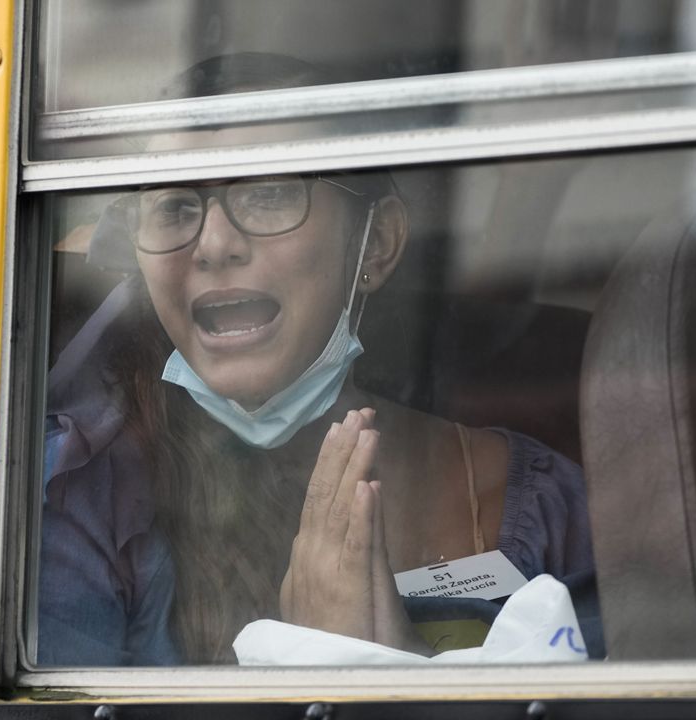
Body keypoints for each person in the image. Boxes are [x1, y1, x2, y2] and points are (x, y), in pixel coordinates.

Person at [38, 53, 598, 665]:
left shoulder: (537, 504)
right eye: (174, 207)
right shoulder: (77, 496)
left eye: (271, 193)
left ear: (376, 244)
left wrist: (389, 663)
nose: (216, 244)